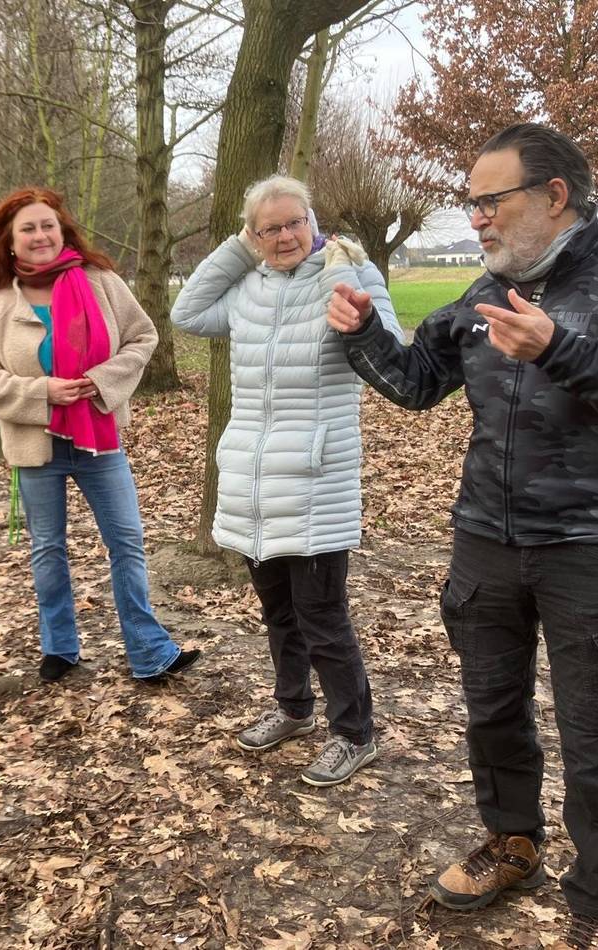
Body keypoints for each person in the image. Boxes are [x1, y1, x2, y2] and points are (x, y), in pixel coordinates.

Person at [327, 123, 598, 948]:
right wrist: (361, 333)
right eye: (472, 204)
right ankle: (512, 843)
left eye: (491, 201)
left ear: (554, 196)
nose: (477, 218)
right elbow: (418, 383)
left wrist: (562, 350)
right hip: (486, 538)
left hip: (595, 545)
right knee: (492, 711)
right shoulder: (483, 292)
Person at [171, 175, 403, 787]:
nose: (284, 236)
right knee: (279, 612)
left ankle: (354, 734)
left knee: (322, 616)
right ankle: (294, 708)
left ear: (312, 221)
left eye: (294, 222)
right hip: (252, 481)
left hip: (315, 480)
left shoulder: (346, 271)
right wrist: (238, 250)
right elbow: (186, 312)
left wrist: (359, 318)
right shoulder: (247, 286)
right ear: (252, 235)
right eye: (268, 228)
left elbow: (393, 350)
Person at [0, 186, 200, 685]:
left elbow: (143, 337)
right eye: (27, 229)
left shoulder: (101, 282)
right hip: (36, 446)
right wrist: (41, 392)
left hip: (99, 437)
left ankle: (149, 651)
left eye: (47, 225)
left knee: (127, 542)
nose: (39, 235)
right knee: (48, 550)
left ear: (63, 230)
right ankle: (60, 648)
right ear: (10, 241)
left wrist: (103, 380)